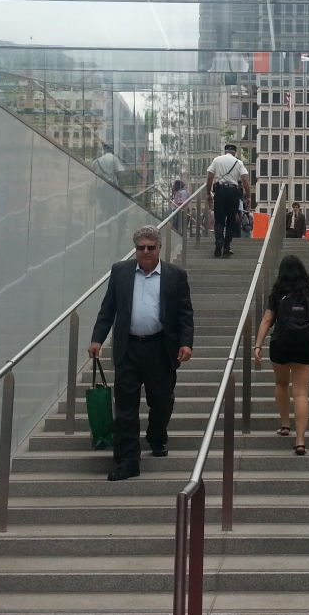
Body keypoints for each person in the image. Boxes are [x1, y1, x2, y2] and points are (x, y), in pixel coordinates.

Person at [88, 226, 195, 480]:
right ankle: (127, 460)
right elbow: (108, 308)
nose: (145, 252)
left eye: (150, 247)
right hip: (129, 347)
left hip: (160, 348)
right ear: (135, 249)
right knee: (125, 406)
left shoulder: (175, 275)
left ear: (159, 249)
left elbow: (184, 313)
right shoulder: (121, 272)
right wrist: (97, 339)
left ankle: (156, 435)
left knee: (161, 400)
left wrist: (186, 343)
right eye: (140, 247)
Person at [253, 255, 309, 455]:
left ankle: (285, 424)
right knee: (301, 393)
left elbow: (266, 320)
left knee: (281, 383)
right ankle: (300, 440)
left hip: (280, 342)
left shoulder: (277, 293)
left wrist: (257, 345)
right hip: (304, 344)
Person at [204, 143, 250, 258]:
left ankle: (219, 240)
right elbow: (244, 180)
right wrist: (248, 196)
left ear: (225, 151)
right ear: (235, 152)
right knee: (231, 221)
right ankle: (227, 247)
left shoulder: (217, 160)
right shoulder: (238, 162)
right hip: (233, 192)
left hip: (220, 191)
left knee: (219, 220)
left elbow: (209, 178)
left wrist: (208, 193)